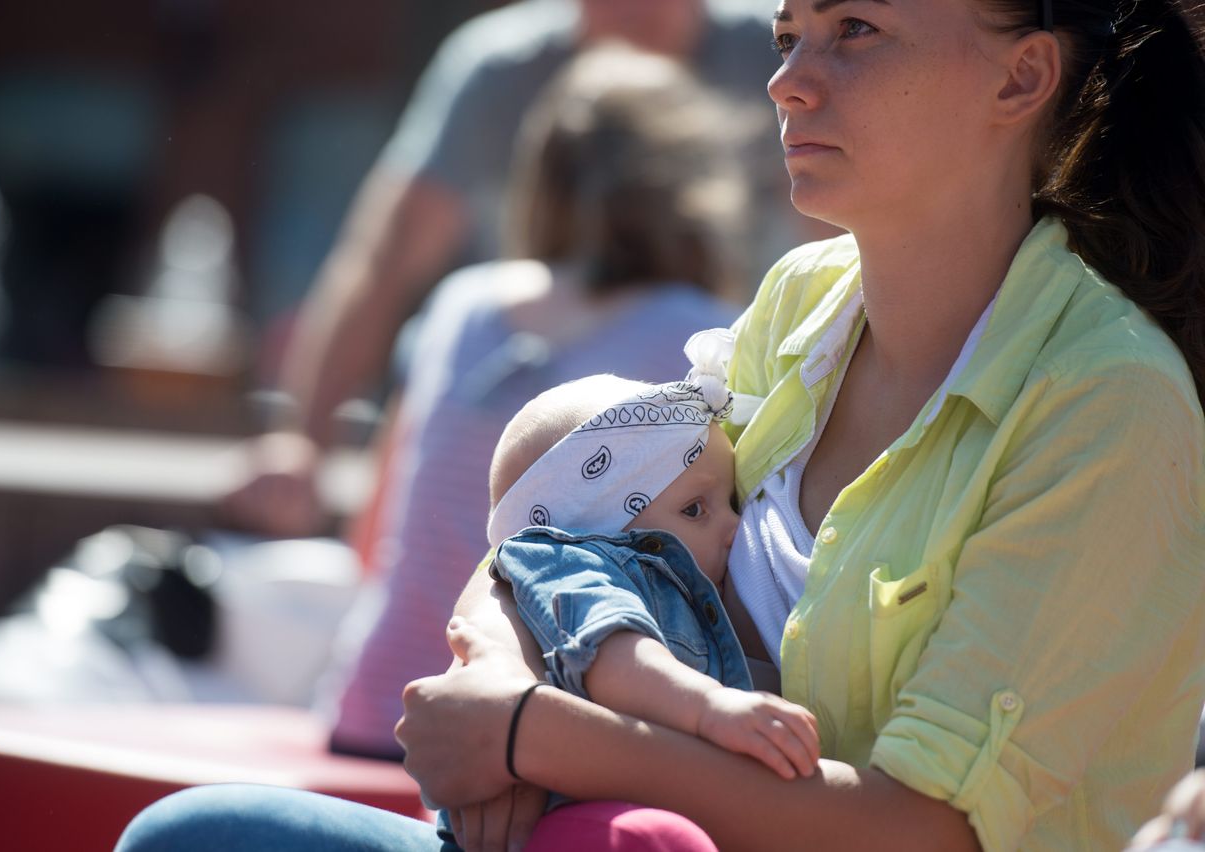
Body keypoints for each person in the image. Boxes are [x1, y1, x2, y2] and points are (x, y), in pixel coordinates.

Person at [118, 0, 1205, 847]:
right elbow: (561, 510)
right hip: (613, 836)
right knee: (190, 835)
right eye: (787, 34)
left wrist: (535, 737)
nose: (786, 79)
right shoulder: (799, 302)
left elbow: (916, 831)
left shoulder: (1108, 402)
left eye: (853, 32)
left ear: (1020, 75)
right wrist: (495, 663)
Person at [221, 0, 835, 539]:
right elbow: (386, 257)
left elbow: (839, 260)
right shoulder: (498, 71)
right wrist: (303, 440)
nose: (632, 8)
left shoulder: (780, 50)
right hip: (552, 390)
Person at [319, 44, 746, 760]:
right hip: (525, 747)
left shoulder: (461, 305)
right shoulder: (700, 339)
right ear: (695, 187)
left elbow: (374, 533)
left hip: (374, 706)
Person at [435, 370, 819, 849]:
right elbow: (616, 656)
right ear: (598, 521)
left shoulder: (679, 595)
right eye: (696, 509)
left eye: (732, 501)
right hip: (559, 827)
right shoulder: (577, 565)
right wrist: (714, 707)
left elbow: (719, 669)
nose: (737, 526)